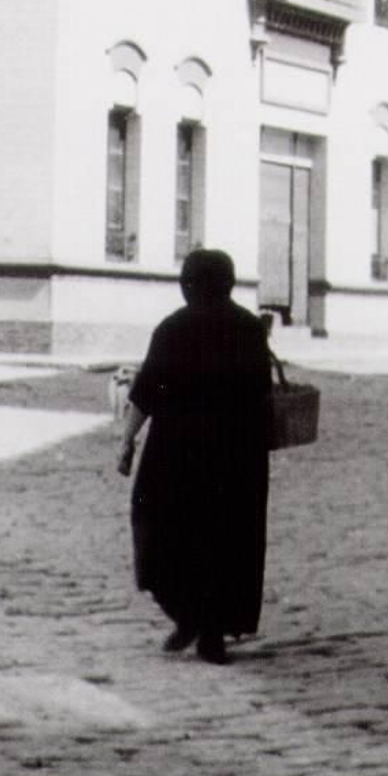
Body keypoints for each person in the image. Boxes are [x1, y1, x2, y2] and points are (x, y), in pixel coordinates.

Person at [117, 246, 272, 664]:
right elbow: (262, 396)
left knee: (160, 528)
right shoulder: (249, 329)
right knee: (227, 541)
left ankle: (188, 614)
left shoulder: (174, 328)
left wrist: (127, 441)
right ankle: (212, 632)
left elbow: (147, 391)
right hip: (237, 457)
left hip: (177, 454)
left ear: (188, 284)